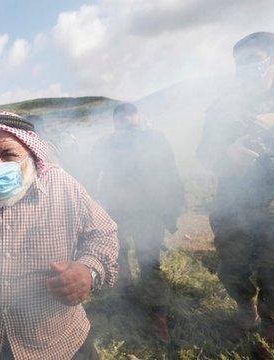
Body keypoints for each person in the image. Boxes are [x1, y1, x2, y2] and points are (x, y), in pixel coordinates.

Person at [0, 111, 119, 360]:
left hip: (58, 341)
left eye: (9, 154)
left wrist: (89, 271)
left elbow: (103, 233)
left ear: (30, 156)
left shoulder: (61, 185)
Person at [196, 32, 274, 359]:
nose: (245, 67)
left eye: (253, 58)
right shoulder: (224, 105)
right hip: (235, 198)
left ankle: (272, 333)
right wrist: (228, 152)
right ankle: (245, 307)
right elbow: (205, 152)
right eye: (240, 61)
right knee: (231, 267)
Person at [92, 103, 184, 343]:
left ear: (140, 118)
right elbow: (92, 174)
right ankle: (125, 297)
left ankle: (157, 313)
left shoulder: (155, 139)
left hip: (148, 210)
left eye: (131, 117)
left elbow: (170, 173)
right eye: (122, 118)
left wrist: (172, 209)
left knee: (149, 260)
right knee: (117, 256)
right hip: (116, 210)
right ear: (115, 121)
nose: (127, 122)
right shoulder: (105, 143)